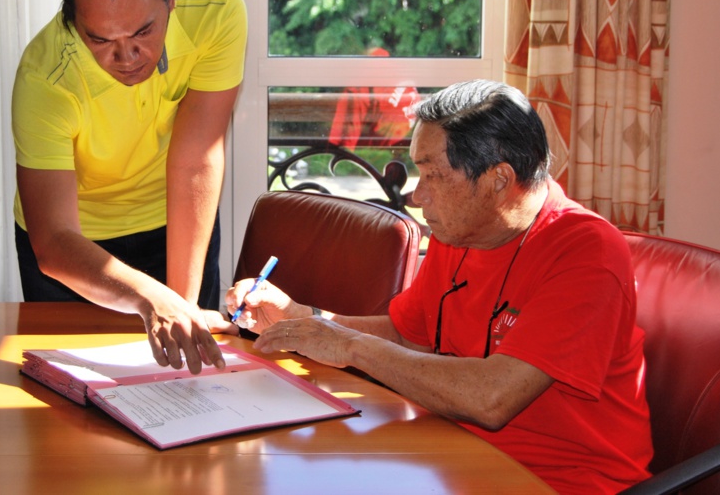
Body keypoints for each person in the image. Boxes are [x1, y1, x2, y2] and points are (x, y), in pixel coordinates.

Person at [227, 80, 653, 494]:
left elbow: (492, 399)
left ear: (498, 180)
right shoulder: (463, 230)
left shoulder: (586, 252)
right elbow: (408, 334)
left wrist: (350, 345)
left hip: (562, 481)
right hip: (455, 458)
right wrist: (303, 319)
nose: (416, 195)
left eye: (432, 176)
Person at [11, 0, 247, 374]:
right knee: (71, 414)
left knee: (187, 384)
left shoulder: (216, 13)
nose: (126, 57)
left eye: (143, 32)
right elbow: (54, 238)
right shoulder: (44, 78)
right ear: (71, 20)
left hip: (174, 220)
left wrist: (178, 304)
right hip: (76, 247)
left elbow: (197, 157)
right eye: (100, 40)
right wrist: (149, 296)